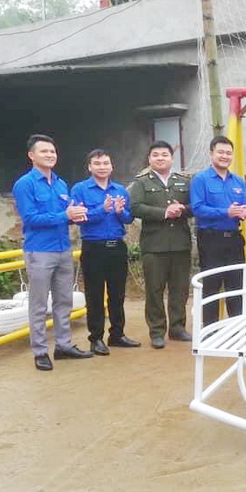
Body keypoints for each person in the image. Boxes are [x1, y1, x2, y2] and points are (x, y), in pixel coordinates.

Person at [12, 134, 93, 370]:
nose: (50, 155)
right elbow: (30, 219)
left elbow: (64, 215)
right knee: (39, 304)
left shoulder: (60, 183)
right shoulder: (25, 184)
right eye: (44, 151)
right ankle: (40, 351)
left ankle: (63, 345)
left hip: (63, 249)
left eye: (52, 151)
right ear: (31, 155)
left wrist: (75, 215)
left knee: (64, 301)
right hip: (39, 251)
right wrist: (64, 215)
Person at [70, 149, 140, 355]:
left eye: (106, 163)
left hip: (117, 247)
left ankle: (117, 334)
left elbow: (129, 218)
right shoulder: (80, 189)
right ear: (90, 167)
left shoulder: (120, 189)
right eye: (97, 163)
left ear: (111, 166)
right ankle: (96, 338)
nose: (102, 167)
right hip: (94, 247)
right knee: (94, 295)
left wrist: (119, 211)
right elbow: (79, 218)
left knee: (117, 294)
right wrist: (102, 209)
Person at [129, 141, 192, 349]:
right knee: (154, 290)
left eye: (164, 154)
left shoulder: (183, 181)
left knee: (180, 290)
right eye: (155, 155)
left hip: (180, 244)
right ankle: (157, 331)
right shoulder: (141, 183)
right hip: (154, 245)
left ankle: (177, 328)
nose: (160, 158)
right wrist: (163, 213)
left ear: (172, 158)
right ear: (149, 159)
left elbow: (195, 206)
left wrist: (182, 209)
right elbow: (135, 207)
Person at [190, 136, 246, 327]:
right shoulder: (201, 179)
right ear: (211, 154)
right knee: (211, 284)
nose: (225, 156)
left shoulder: (238, 181)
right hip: (211, 239)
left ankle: (236, 327)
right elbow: (197, 208)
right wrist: (226, 212)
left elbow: (244, 206)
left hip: (234, 239)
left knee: (236, 284)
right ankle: (210, 328)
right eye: (220, 152)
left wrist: (244, 212)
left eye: (228, 153)